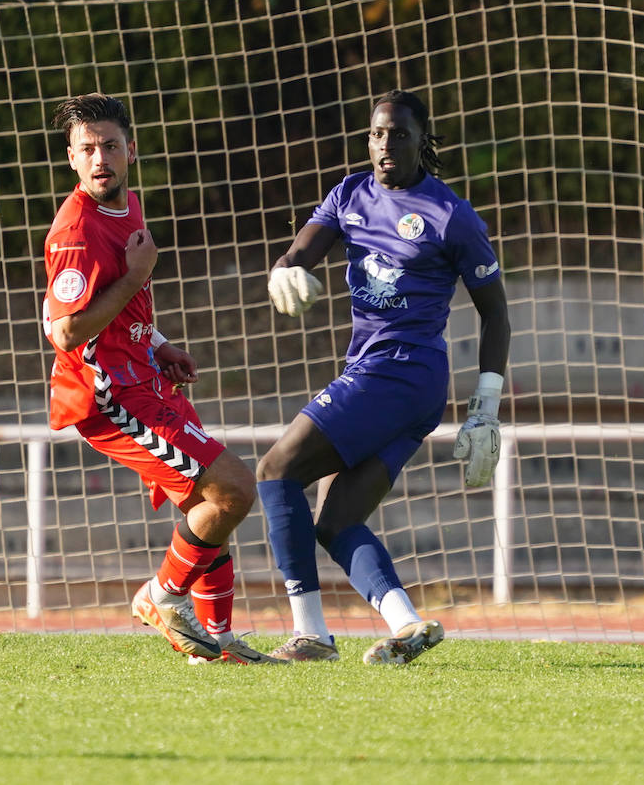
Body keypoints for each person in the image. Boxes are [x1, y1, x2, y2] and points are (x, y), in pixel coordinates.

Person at [258, 88, 511, 665]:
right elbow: (302, 250)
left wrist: (486, 407)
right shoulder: (350, 192)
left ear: (424, 139)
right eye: (377, 133)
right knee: (335, 520)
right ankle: (407, 624)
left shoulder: (449, 214)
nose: (385, 143)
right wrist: (283, 271)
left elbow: (496, 312)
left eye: (398, 132)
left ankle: (312, 635)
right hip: (389, 379)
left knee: (275, 472)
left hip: (401, 370)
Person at [41, 93, 281, 665]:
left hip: (142, 374)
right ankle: (162, 595)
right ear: (71, 159)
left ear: (131, 150)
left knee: (206, 506)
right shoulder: (75, 231)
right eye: (87, 149)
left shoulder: (128, 207)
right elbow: (67, 333)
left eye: (109, 146)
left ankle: (217, 645)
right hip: (108, 395)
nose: (99, 158)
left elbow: (122, 312)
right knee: (236, 490)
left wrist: (156, 341)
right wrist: (137, 277)